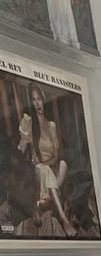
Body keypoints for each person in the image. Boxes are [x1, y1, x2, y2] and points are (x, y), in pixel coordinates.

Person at [17, 81, 77, 237]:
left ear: (43, 100)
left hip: (50, 168)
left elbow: (57, 157)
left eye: (39, 99)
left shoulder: (51, 126)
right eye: (34, 99)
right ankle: (64, 220)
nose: (38, 103)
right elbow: (21, 149)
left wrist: (47, 164)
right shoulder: (28, 123)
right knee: (43, 169)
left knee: (63, 163)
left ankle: (43, 204)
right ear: (31, 102)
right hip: (37, 171)